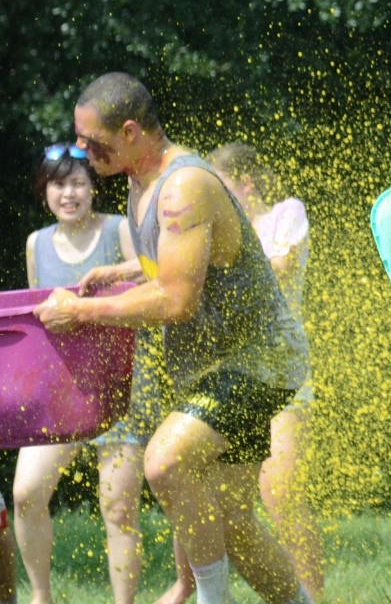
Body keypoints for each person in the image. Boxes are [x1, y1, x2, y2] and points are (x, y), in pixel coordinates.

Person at [33, 73, 312, 604]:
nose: (85, 155)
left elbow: (177, 300)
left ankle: (211, 598)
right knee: (235, 525)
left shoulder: (183, 187)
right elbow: (178, 266)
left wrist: (84, 310)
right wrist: (126, 272)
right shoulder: (142, 183)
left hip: (256, 362)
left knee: (163, 461)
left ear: (133, 131)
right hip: (220, 368)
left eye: (94, 143)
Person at [159, 142, 323, 602]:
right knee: (200, 483)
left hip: (278, 369)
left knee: (282, 491)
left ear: (244, 184)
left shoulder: (283, 213)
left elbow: (282, 264)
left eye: (220, 184)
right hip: (230, 377)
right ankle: (188, 585)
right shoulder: (215, 230)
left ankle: (311, 592)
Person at [15, 142, 158, 604]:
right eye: (58, 184)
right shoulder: (36, 244)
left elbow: (157, 278)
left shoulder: (120, 231)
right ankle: (41, 597)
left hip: (122, 388)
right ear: (45, 192)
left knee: (117, 507)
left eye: (77, 182)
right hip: (58, 390)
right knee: (26, 493)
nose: (68, 193)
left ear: (93, 188)